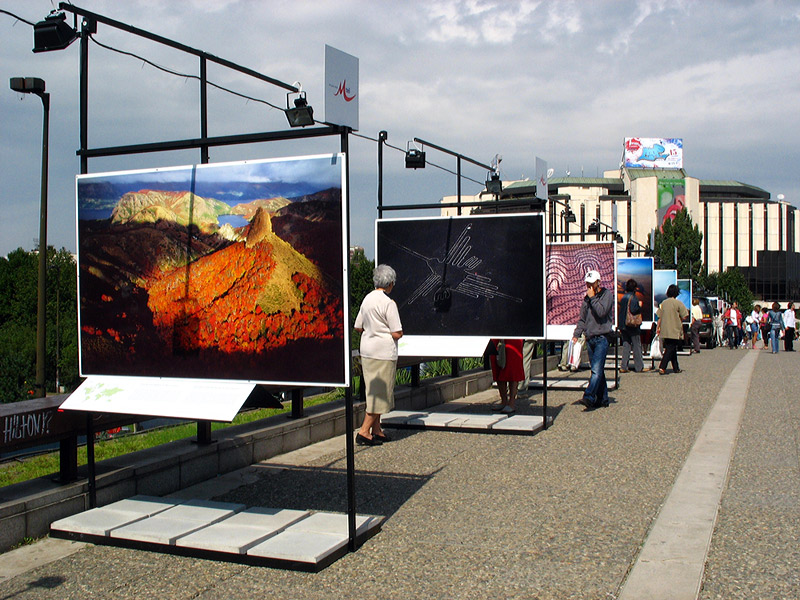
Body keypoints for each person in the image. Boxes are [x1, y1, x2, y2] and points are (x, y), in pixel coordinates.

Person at [354, 264, 403, 446]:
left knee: (372, 391)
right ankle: (364, 431)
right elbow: (397, 332)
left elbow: (358, 326)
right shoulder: (389, 303)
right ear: (390, 283)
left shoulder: (367, 300)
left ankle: (377, 430)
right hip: (384, 353)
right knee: (381, 394)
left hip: (367, 351)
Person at [572, 270, 614, 410]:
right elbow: (582, 319)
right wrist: (576, 334)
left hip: (602, 337)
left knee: (596, 370)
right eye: (587, 284)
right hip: (590, 337)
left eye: (591, 284)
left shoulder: (606, 295)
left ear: (598, 283)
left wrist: (593, 298)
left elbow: (602, 312)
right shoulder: (586, 299)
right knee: (598, 369)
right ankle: (603, 399)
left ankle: (589, 396)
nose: (589, 287)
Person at [656, 284, 689, 374]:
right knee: (670, 348)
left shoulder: (663, 303)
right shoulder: (678, 303)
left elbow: (659, 316)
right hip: (674, 329)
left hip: (665, 329)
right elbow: (685, 315)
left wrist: (658, 328)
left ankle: (676, 368)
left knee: (672, 348)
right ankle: (662, 366)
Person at [489, 339, 524, 414]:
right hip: (496, 333)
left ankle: (511, 402)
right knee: (497, 364)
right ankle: (503, 400)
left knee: (512, 367)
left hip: (513, 336)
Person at [619, 279, 646, 372]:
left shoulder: (624, 297)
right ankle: (639, 367)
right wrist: (640, 306)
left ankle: (623, 366)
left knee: (626, 345)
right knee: (636, 345)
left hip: (623, 324)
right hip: (631, 325)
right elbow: (634, 310)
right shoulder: (633, 297)